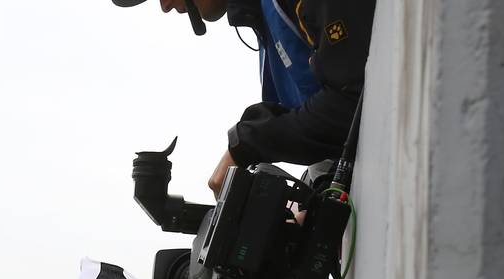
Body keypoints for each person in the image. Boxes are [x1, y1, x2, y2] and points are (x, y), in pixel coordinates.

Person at [111, 0, 375, 193]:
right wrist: (312, 198)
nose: (165, 6)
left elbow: (360, 99)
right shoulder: (266, 25)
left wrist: (246, 145)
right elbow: (329, 139)